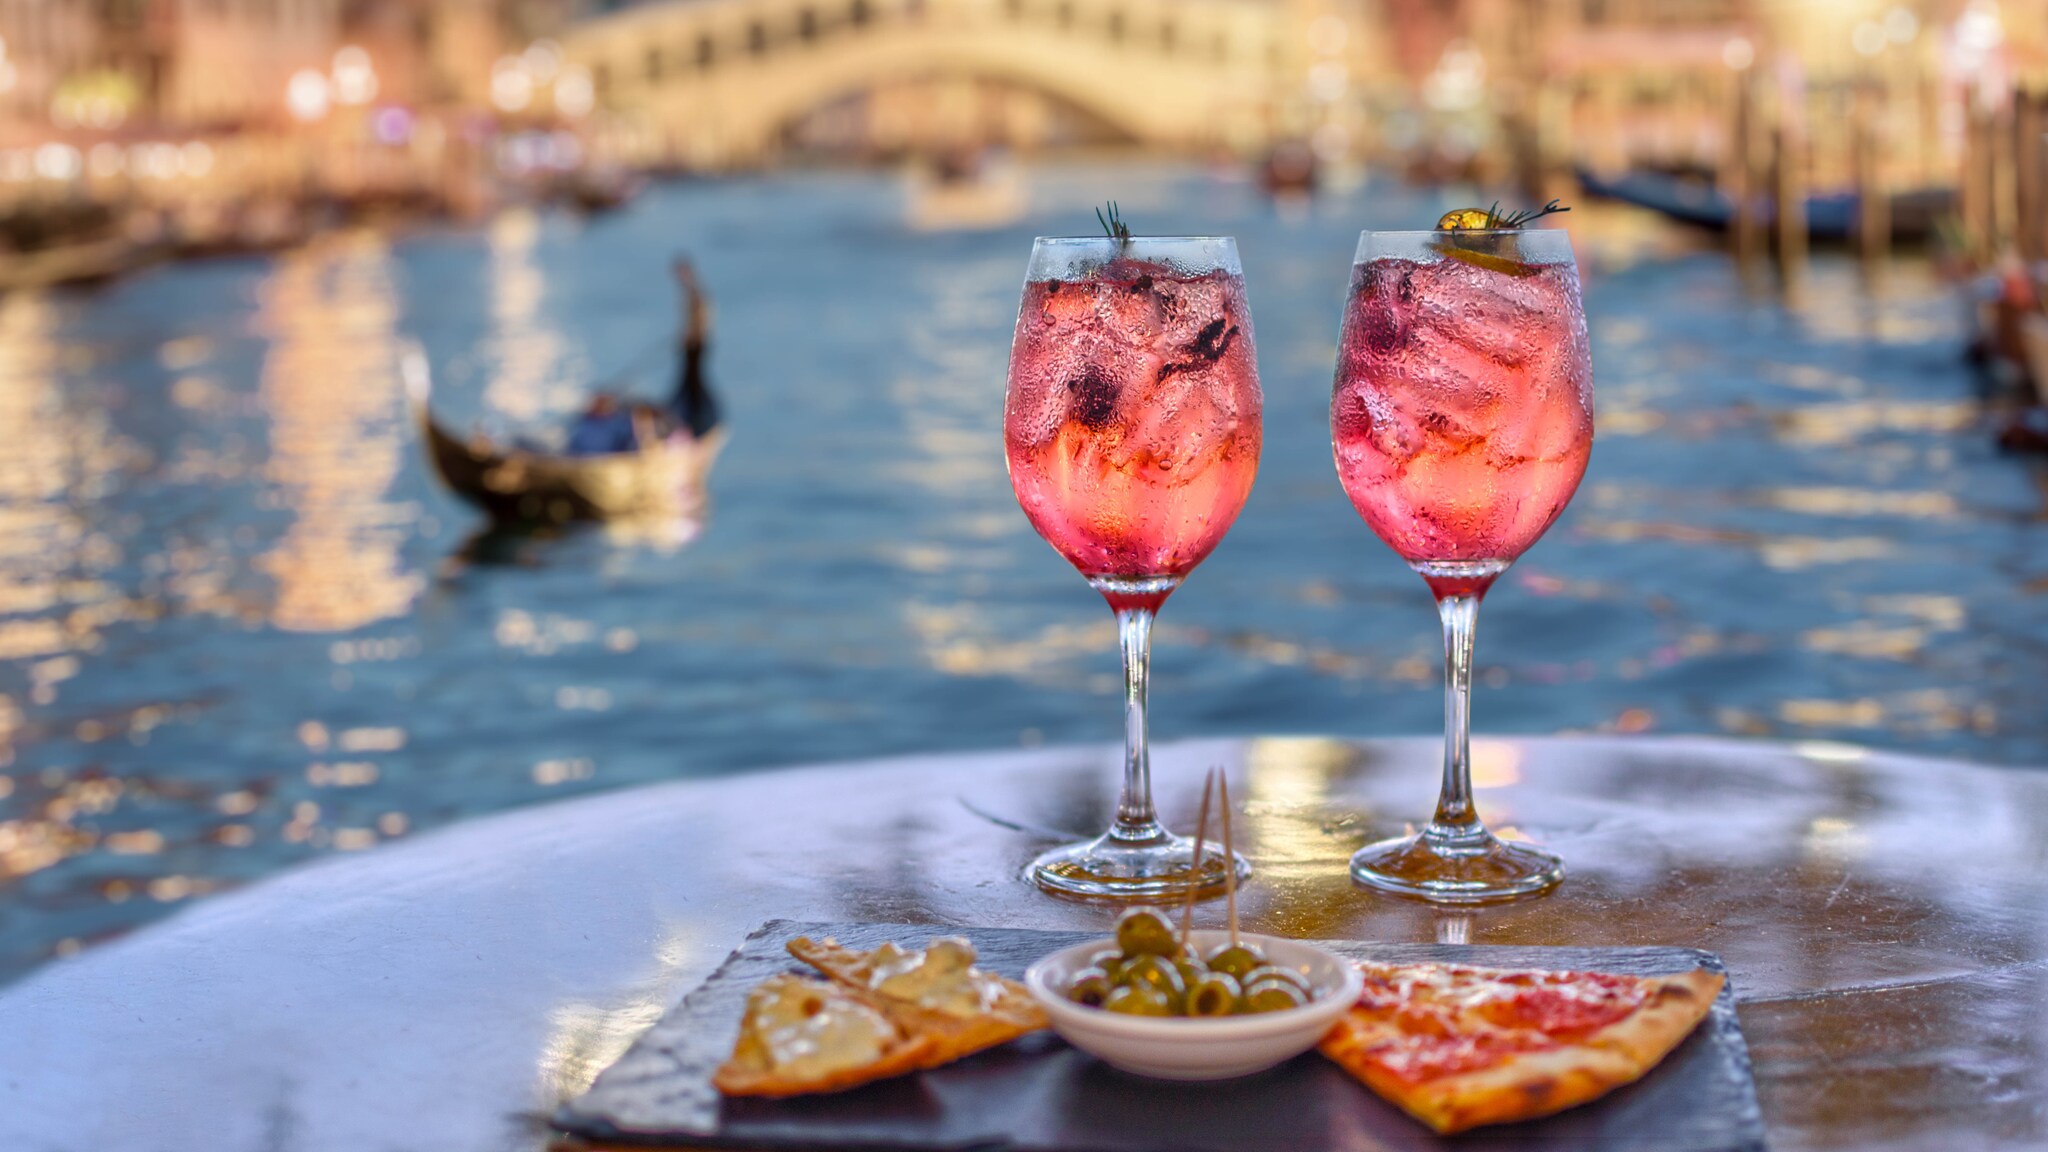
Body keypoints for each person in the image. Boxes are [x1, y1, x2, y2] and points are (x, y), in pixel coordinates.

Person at [671, 256, 721, 441]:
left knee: (694, 380)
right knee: (689, 379)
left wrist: (691, 337)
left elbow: (701, 318)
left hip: (696, 344)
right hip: (694, 343)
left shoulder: (695, 292)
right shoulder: (691, 291)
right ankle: (689, 415)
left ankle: (695, 418)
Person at [565, 392, 638, 455]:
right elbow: (573, 447)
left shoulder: (620, 425)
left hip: (611, 463)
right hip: (582, 462)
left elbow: (633, 443)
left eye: (605, 404)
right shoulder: (583, 424)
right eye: (599, 403)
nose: (602, 407)